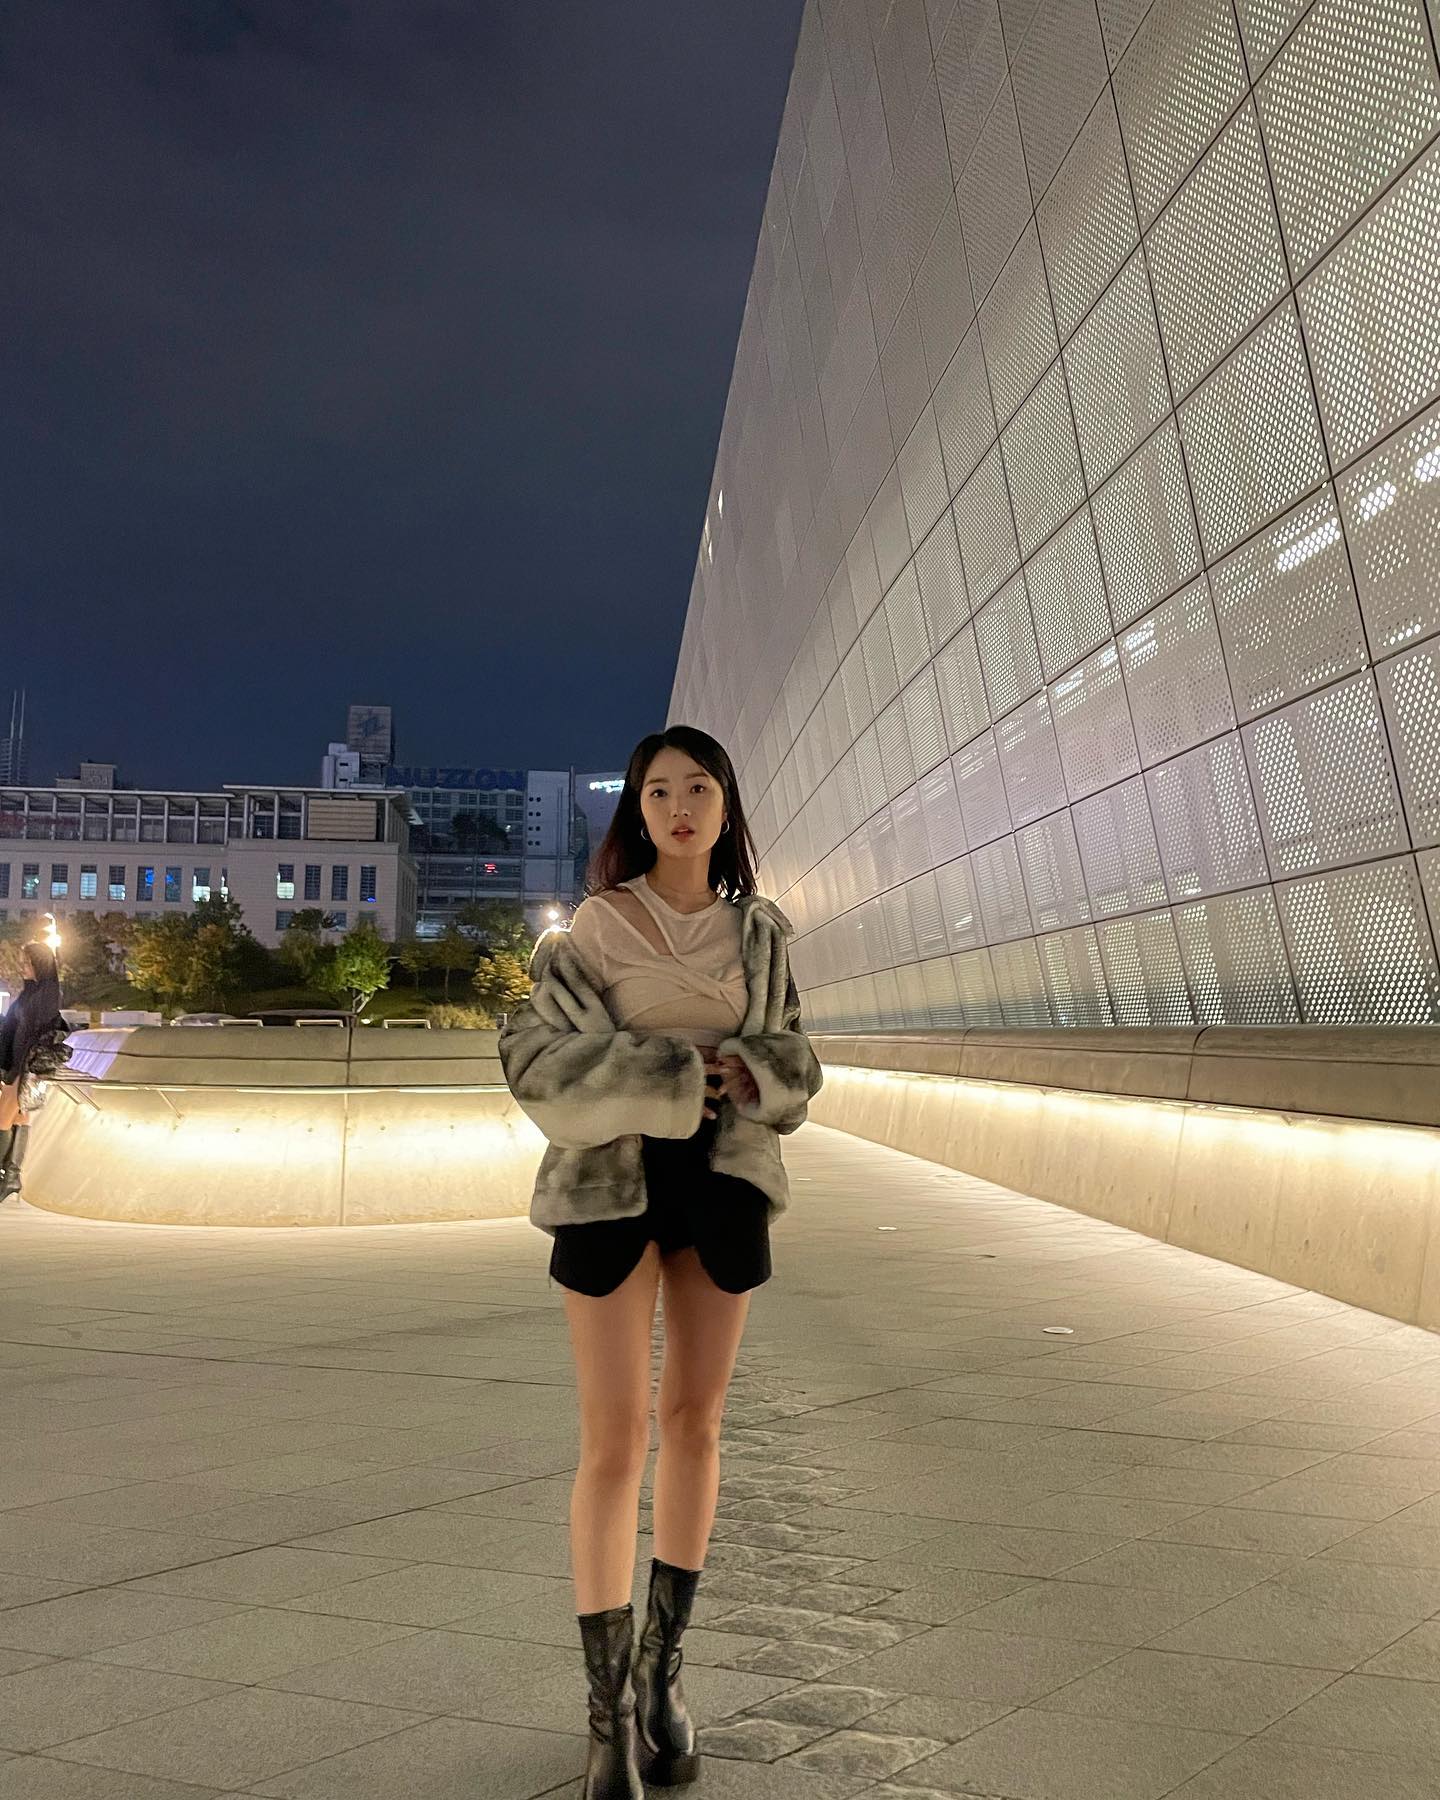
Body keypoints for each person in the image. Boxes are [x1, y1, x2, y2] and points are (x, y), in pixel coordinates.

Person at [499, 726, 822, 1798]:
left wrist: (757, 1070)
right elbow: (538, 1062)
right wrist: (675, 1072)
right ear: (636, 811)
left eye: (698, 789)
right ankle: (606, 1720)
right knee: (613, 1439)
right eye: (658, 792)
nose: (679, 808)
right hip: (612, 1182)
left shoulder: (760, 933)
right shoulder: (596, 925)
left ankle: (662, 1675)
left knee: (696, 1423)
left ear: (726, 806)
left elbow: (800, 1059)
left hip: (722, 1178)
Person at [0, 939, 64, 1200]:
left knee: (3, 1119)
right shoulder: (31, 992)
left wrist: (20, 1070)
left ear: (40, 963)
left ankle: (9, 1176)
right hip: (19, 1064)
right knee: (19, 1118)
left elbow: (38, 1034)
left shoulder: (47, 993)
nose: (22, 967)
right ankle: (12, 1177)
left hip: (28, 1067)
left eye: (27, 962)